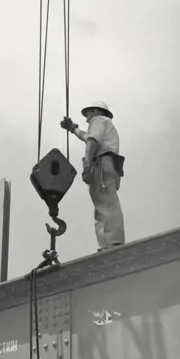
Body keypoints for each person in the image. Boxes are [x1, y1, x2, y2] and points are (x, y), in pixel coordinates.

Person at [61, 102, 125, 252]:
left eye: (88, 114)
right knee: (102, 204)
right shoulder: (105, 125)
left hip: (101, 164)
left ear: (96, 111)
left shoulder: (98, 120)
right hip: (106, 165)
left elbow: (92, 141)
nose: (87, 119)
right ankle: (108, 243)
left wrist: (87, 165)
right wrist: (73, 129)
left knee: (106, 204)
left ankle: (113, 243)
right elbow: (87, 136)